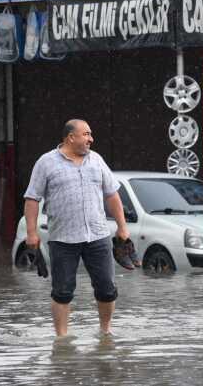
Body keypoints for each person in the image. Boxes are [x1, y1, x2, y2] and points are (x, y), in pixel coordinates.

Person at [23, 119, 129, 337]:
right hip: (63, 238)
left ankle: (105, 333)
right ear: (71, 137)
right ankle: (61, 339)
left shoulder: (96, 160)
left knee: (107, 289)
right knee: (62, 291)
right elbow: (32, 198)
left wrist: (122, 227)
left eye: (90, 134)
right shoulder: (46, 162)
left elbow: (111, 194)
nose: (91, 139)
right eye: (86, 134)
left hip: (97, 235)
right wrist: (31, 233)